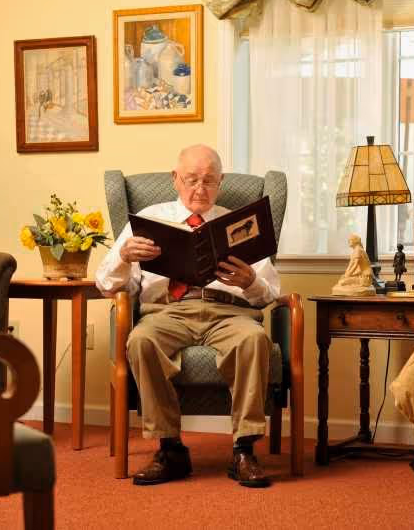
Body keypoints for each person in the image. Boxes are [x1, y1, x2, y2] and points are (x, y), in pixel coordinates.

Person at [96, 144, 279, 488]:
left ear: (221, 182)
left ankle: (243, 450)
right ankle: (170, 449)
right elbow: (105, 285)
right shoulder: (149, 219)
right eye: (192, 179)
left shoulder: (238, 224)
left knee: (254, 339)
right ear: (175, 179)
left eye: (209, 181)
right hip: (168, 311)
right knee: (141, 340)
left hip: (229, 312)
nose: (200, 188)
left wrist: (251, 281)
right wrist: (123, 255)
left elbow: (270, 293)